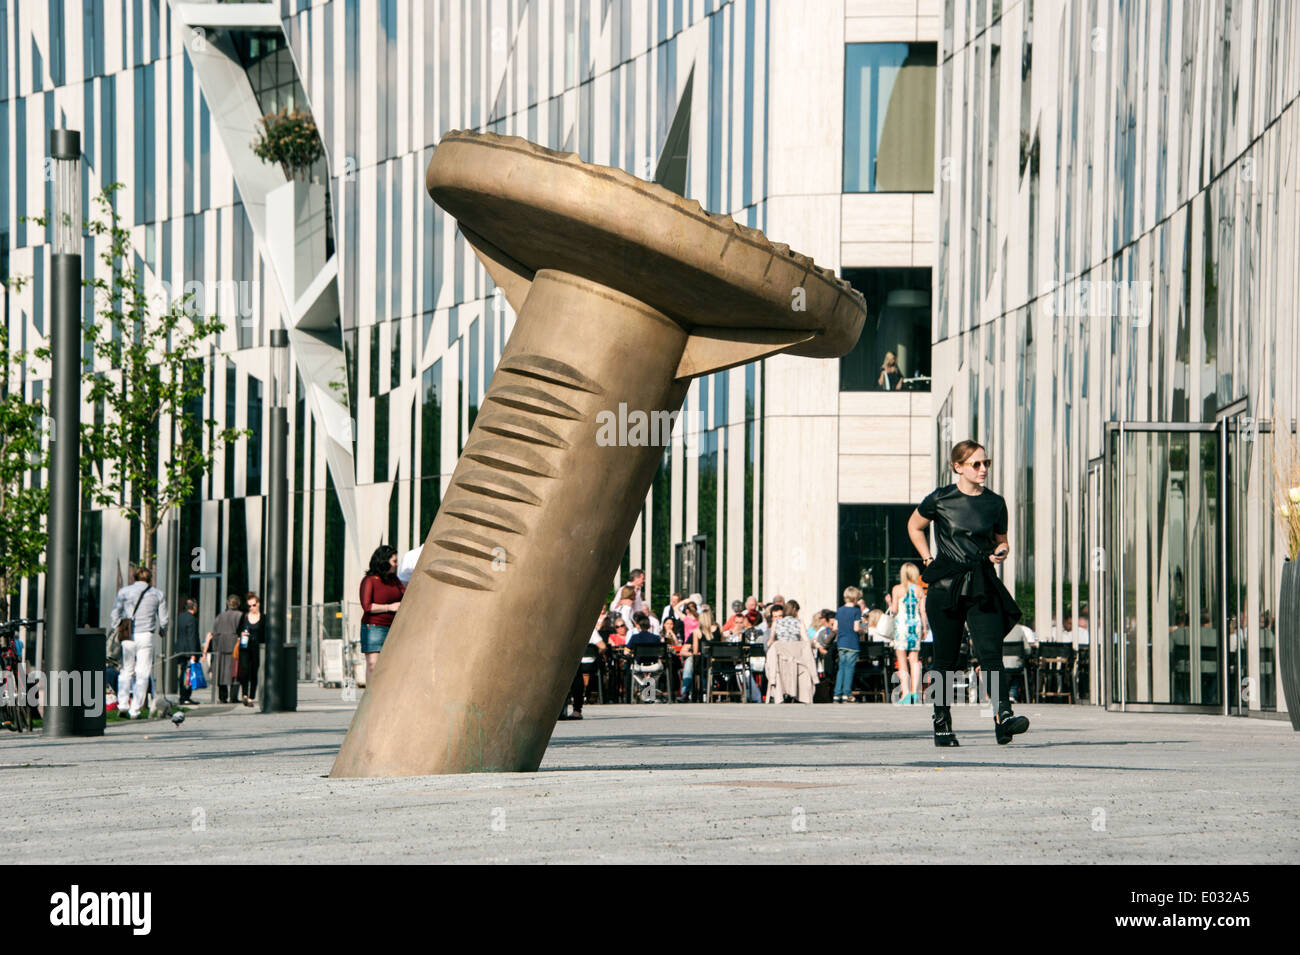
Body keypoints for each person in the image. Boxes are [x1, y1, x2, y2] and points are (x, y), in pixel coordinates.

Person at [908, 439, 1028, 746]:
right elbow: (914, 526)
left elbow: (1002, 540)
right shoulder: (940, 499)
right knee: (945, 658)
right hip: (945, 585)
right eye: (976, 464)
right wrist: (927, 559)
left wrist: (1001, 551)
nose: (983, 469)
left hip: (982, 582)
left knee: (990, 652)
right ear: (957, 467)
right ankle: (942, 723)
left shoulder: (995, 503)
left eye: (986, 463)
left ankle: (1004, 717)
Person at [108, 567, 169, 719]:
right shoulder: (157, 594)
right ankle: (135, 709)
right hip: (146, 635)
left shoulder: (124, 592)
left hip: (128, 635)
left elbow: (115, 613)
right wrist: (163, 629)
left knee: (126, 670)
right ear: (150, 578)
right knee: (142, 673)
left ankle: (122, 704)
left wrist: (116, 626)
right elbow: (164, 618)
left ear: (134, 577)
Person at [359, 545, 405, 680]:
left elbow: (405, 596)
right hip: (374, 627)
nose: (397, 565)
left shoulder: (395, 581)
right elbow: (367, 606)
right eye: (394, 561)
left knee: (391, 666)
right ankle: (371, 698)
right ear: (384, 562)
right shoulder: (369, 581)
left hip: (394, 628)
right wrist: (389, 607)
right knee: (373, 664)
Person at [888, 564, 927, 705]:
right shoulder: (919, 590)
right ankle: (915, 693)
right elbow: (923, 611)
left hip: (902, 625)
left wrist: (888, 602)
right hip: (915, 625)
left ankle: (905, 693)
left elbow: (894, 609)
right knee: (914, 659)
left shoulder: (897, 589)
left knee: (902, 660)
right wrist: (924, 629)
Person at [204, 595, 246, 704]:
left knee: (221, 671)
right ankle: (233, 697)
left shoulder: (220, 616)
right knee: (235, 671)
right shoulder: (241, 616)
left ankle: (222, 697)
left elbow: (214, 631)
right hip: (234, 646)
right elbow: (244, 632)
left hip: (220, 646)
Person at [833, 587, 863, 702]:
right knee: (849, 668)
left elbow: (835, 628)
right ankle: (847, 693)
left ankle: (837, 693)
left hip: (841, 642)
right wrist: (862, 631)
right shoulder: (856, 611)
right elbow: (856, 628)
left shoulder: (839, 610)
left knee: (841, 668)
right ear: (855, 598)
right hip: (852, 643)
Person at [237, 592, 265, 706]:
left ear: (258, 604)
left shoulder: (263, 618)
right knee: (244, 670)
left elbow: (265, 634)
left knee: (254, 672)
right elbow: (238, 630)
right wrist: (242, 633)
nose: (251, 608)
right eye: (249, 606)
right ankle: (244, 694)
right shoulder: (244, 617)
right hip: (244, 646)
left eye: (253, 605)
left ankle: (251, 697)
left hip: (256, 647)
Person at [173, 597, 202, 705]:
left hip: (181, 649)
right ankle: (185, 697)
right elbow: (191, 636)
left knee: (184, 673)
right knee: (188, 675)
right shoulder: (191, 619)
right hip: (188, 650)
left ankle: (184, 696)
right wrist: (193, 654)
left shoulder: (180, 617)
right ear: (194, 607)